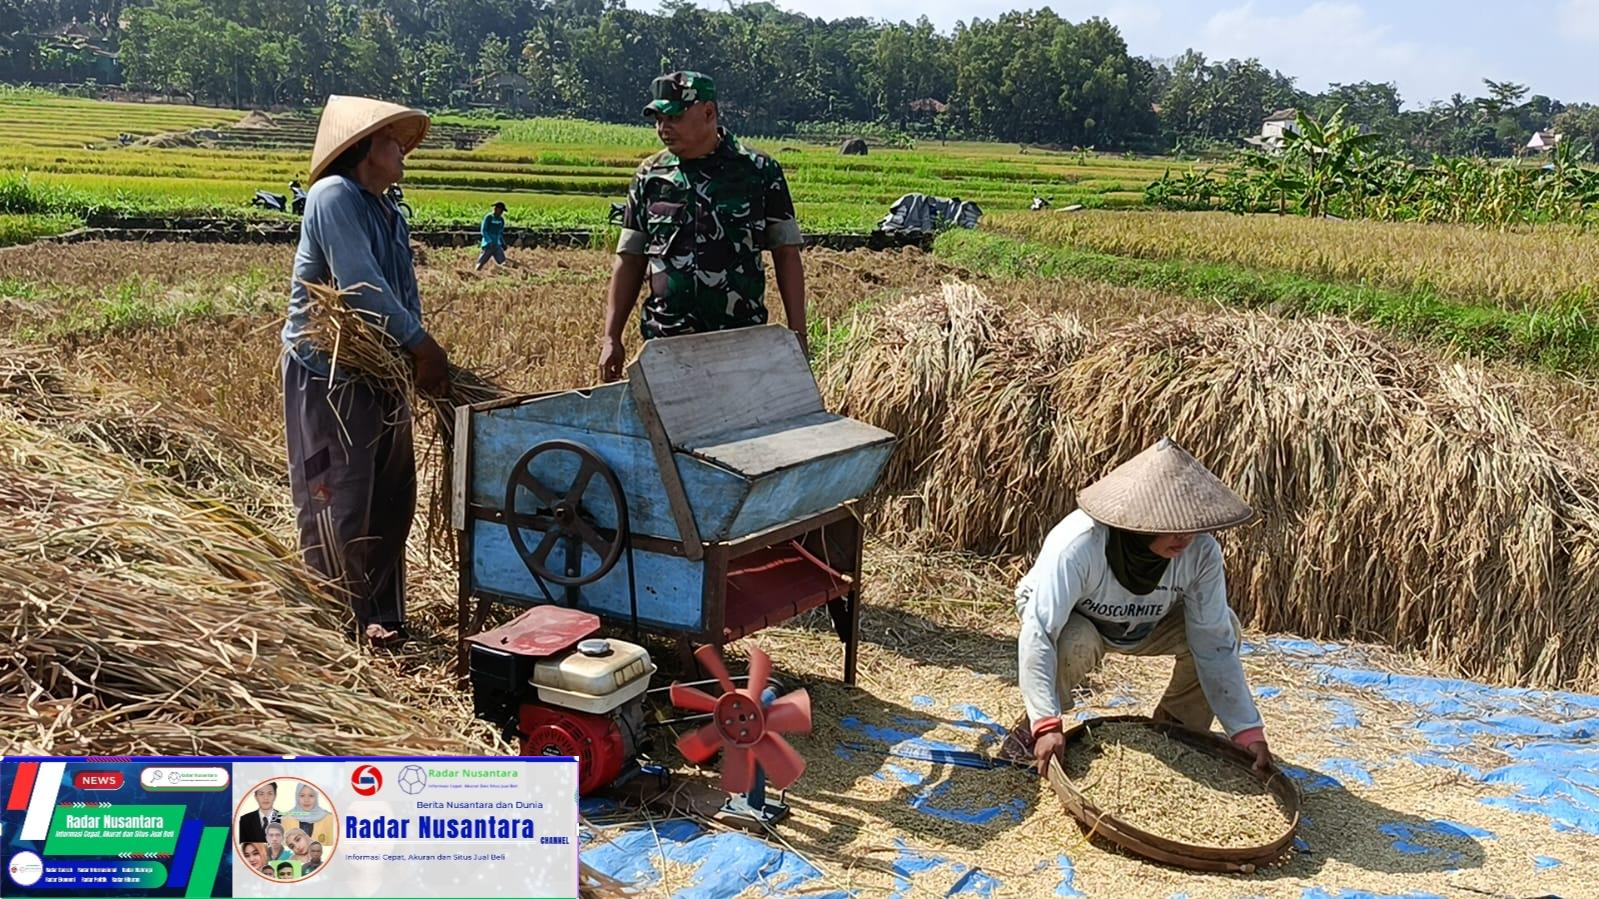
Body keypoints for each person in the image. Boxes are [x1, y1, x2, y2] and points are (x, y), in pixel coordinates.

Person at [281, 95, 449, 648]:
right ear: (362, 148)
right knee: (338, 500)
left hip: (383, 374)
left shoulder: (387, 210)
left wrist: (411, 353)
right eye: (391, 140)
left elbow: (401, 293)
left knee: (393, 498)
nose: (402, 150)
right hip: (332, 373)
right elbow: (359, 286)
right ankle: (336, 624)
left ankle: (382, 613)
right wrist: (422, 345)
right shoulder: (333, 196)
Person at [1004, 437, 1272, 777]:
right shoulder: (1080, 544)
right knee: (1073, 641)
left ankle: (1177, 730)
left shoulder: (1201, 553)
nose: (1184, 538)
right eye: (1172, 527)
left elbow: (1214, 642)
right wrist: (1045, 723)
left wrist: (1246, 730)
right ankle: (1031, 731)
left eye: (1191, 527)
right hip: (1079, 620)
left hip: (1148, 620)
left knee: (1227, 625)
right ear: (1140, 522)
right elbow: (1040, 629)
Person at [598, 70, 806, 382]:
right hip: (666, 342)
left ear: (708, 112)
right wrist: (611, 338)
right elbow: (630, 259)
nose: (663, 128)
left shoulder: (759, 172)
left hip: (739, 343)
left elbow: (786, 254)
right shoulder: (649, 176)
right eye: (658, 120)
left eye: (674, 118)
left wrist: (798, 335)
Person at [476, 201, 509, 270]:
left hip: (497, 245)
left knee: (503, 262)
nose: (501, 212)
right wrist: (489, 241)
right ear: (495, 209)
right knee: (481, 263)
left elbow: (500, 233)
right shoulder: (489, 217)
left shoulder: (501, 220)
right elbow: (484, 230)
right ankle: (476, 272)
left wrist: (503, 243)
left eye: (502, 211)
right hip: (488, 245)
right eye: (500, 210)